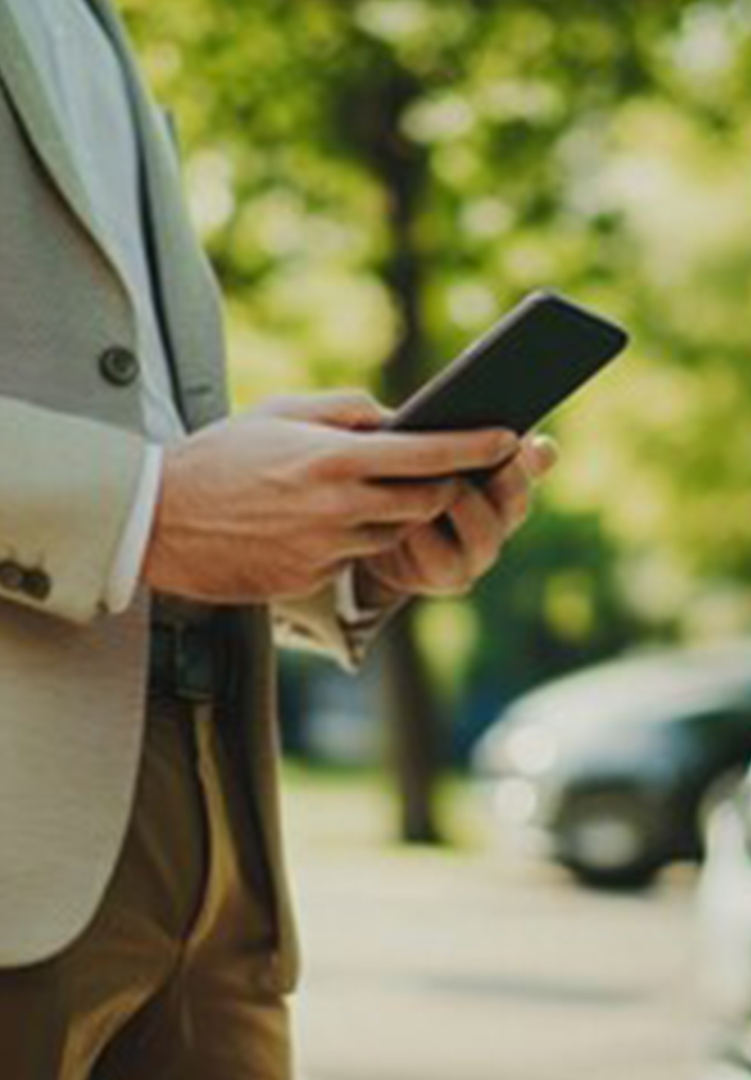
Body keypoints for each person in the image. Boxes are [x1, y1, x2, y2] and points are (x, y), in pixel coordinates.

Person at [0, 0, 559, 1076]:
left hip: (217, 825)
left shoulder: (97, 26)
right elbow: (146, 492)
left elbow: (140, 423)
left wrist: (346, 547)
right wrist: (143, 506)